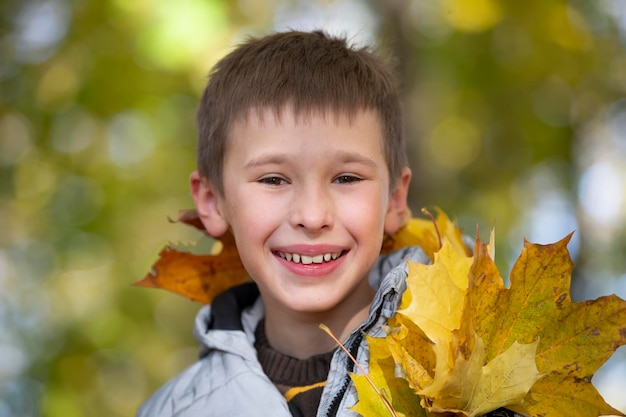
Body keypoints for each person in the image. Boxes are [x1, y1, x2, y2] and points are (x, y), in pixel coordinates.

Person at [137, 30, 518, 417]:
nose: (313, 216)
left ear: (395, 199)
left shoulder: (475, 387)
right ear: (212, 202)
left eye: (346, 178)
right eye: (273, 179)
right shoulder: (175, 409)